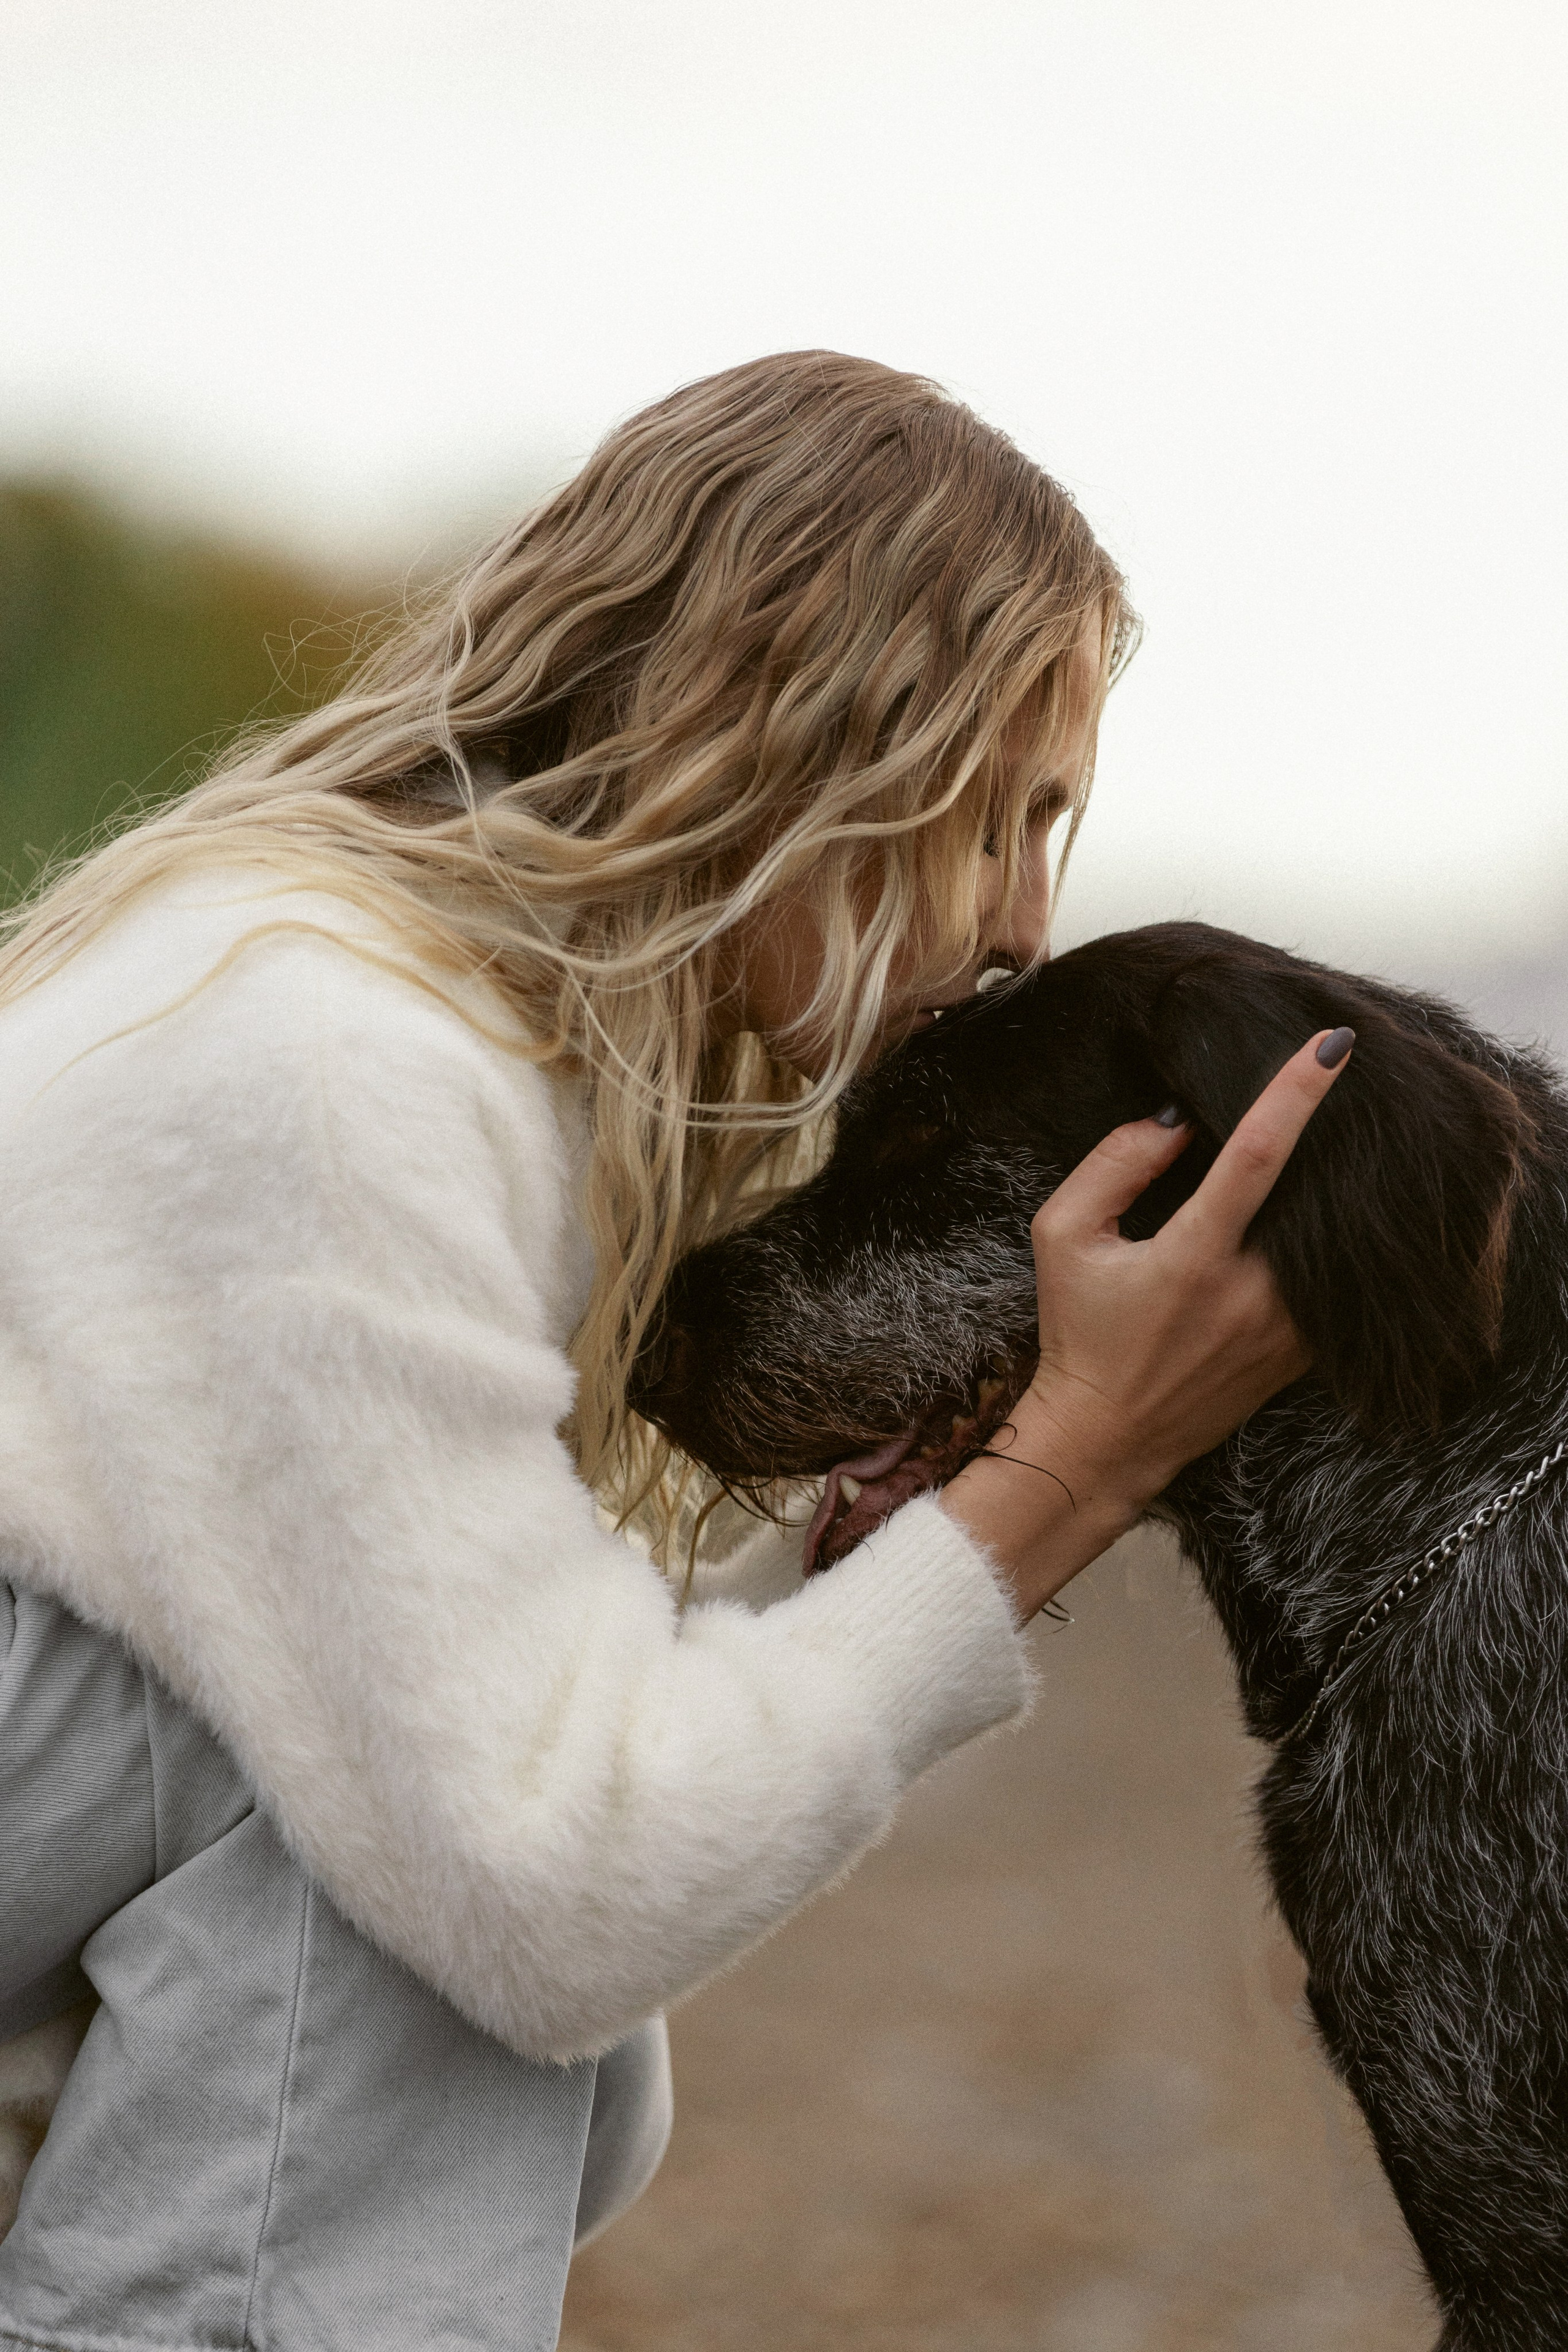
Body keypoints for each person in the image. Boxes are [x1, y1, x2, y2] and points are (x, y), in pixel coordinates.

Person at [0, 352, 1347, 2351]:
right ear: (797, 743)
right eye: (1006, 817)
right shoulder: (328, 1065)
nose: (1026, 927)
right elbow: (553, 1891)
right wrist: (1067, 1471)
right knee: (403, 1829)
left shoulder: (410, 1020)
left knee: (411, 1773)